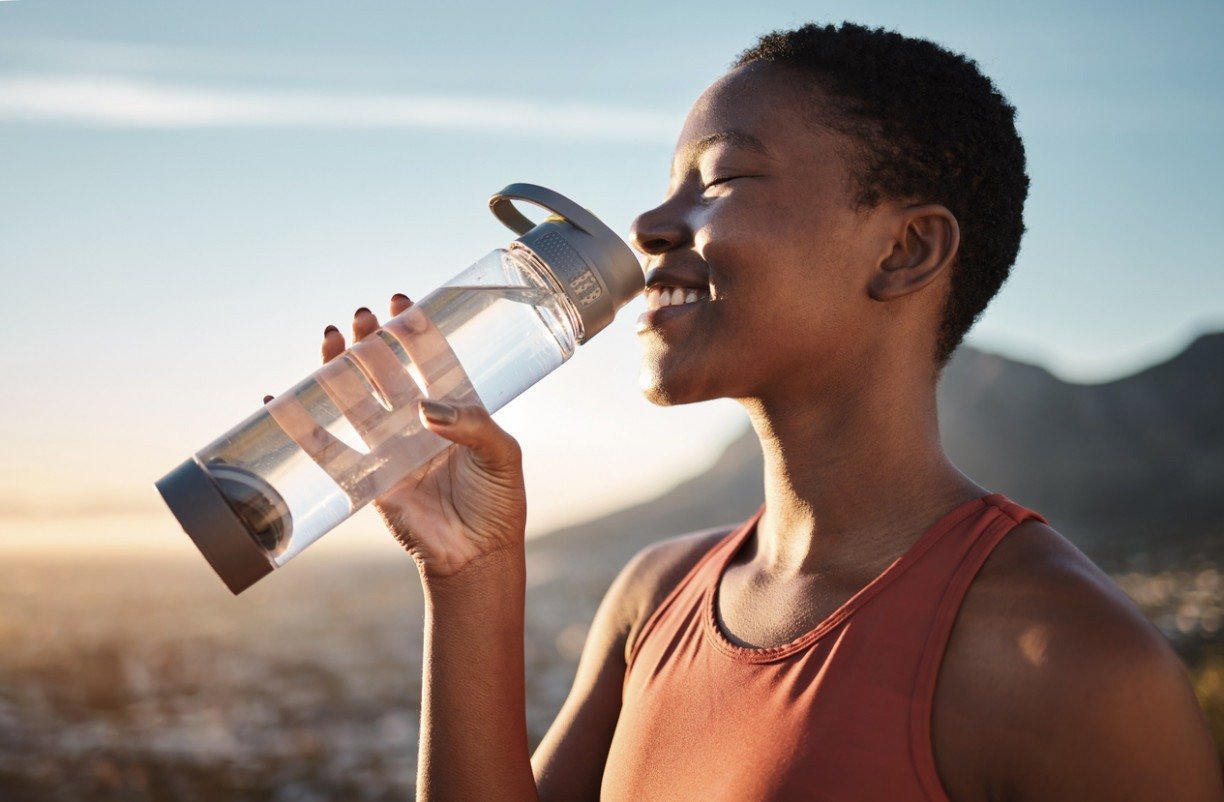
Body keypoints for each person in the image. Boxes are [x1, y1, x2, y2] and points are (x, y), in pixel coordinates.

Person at [316, 21, 1223, 802]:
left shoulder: (1071, 662)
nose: (650, 227)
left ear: (906, 250)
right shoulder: (655, 596)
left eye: (719, 182)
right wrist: (467, 571)